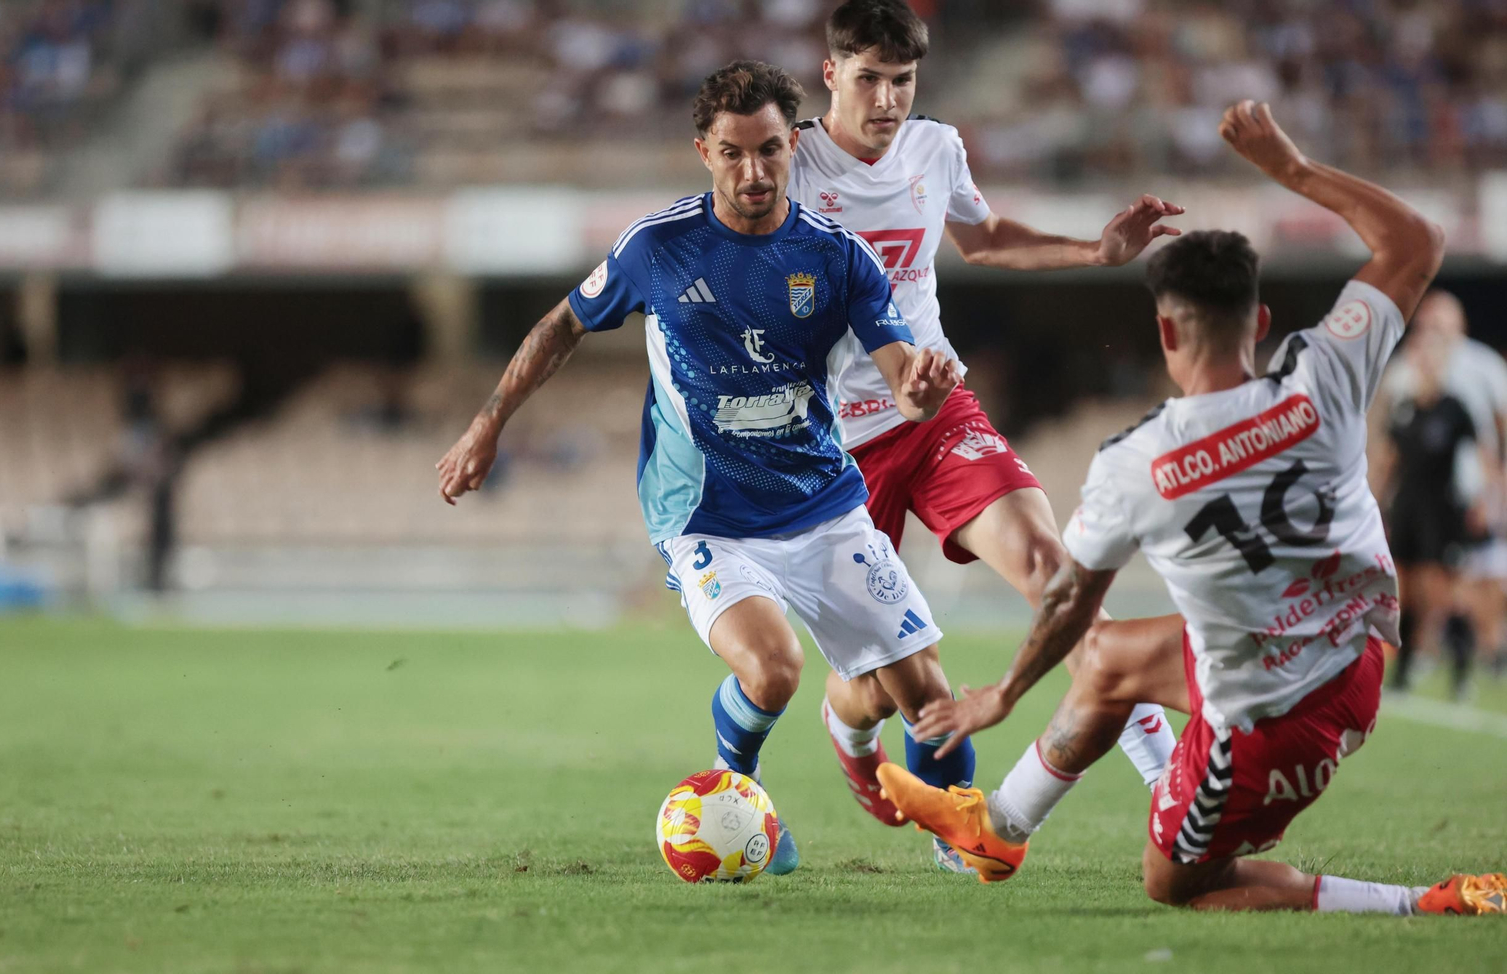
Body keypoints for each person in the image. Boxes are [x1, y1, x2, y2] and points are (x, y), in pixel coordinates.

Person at [876, 101, 1503, 916]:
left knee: (1176, 886)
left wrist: (1001, 694)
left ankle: (1421, 903)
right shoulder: (1325, 372)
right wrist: (1291, 168)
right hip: (1355, 663)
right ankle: (996, 831)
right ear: (1264, 323)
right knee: (1107, 664)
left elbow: (1069, 600)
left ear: (1166, 335)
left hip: (1268, 724)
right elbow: (1416, 240)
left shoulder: (1136, 461)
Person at [435, 59, 977, 878]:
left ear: (792, 144)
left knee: (928, 693)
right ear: (703, 151)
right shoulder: (658, 247)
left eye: (768, 150)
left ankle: (954, 834)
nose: (753, 172)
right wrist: (487, 425)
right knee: (775, 668)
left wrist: (922, 390)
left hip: (824, 506)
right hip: (706, 516)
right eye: (733, 153)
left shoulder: (837, 257)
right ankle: (742, 791)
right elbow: (561, 327)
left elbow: (902, 375)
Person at [786, 0, 1182, 869]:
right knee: (874, 693)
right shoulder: (788, 165)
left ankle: (1169, 783)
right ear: (831, 75)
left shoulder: (936, 147)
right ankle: (847, 732)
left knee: (1054, 571)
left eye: (903, 80)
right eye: (869, 79)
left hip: (936, 415)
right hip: (830, 450)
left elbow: (984, 236)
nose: (888, 99)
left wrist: (1095, 253)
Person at [1375, 290, 1507, 692]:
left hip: (1461, 498)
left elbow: (1496, 433)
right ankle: (1419, 658)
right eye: (1427, 324)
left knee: (1466, 583)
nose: (1433, 333)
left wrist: (1496, 492)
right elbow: (1386, 443)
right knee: (1410, 584)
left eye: (1442, 324)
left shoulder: (1481, 367)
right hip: (1412, 500)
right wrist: (1375, 496)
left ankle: (1482, 654)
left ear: (1459, 325)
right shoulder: (1403, 372)